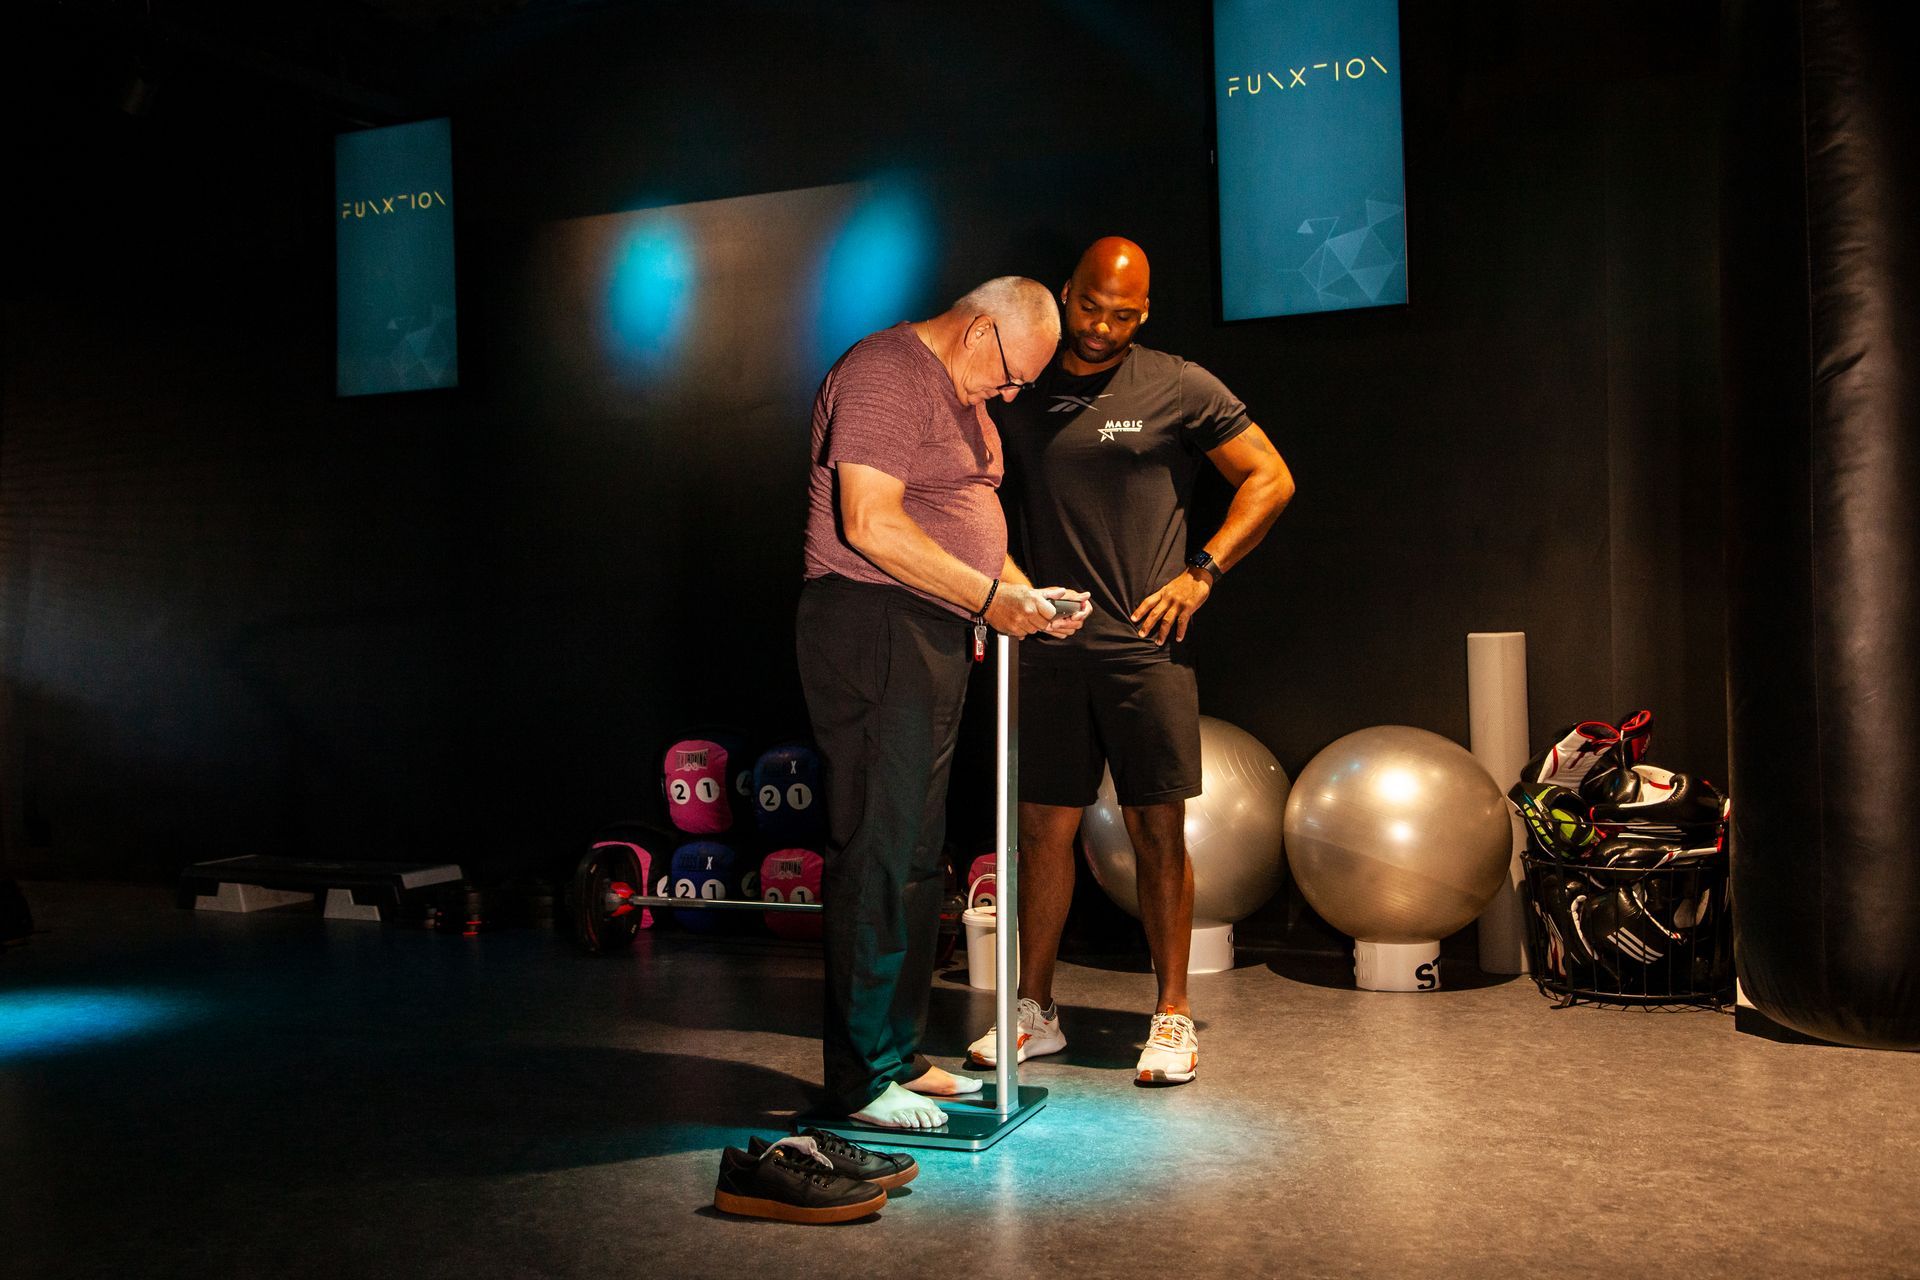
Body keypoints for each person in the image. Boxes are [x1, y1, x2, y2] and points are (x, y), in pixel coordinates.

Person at [974, 237, 1295, 1085]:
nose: (1102, 327)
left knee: (1159, 831)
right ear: (1066, 291)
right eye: (1089, 307)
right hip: (1046, 640)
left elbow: (1269, 477)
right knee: (1043, 831)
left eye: (1122, 315)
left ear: (1143, 313)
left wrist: (1203, 574)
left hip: (1147, 646)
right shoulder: (1022, 383)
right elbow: (973, 497)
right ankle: (1034, 1011)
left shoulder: (1177, 382)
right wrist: (1008, 595)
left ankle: (1174, 1016)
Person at [798, 277, 1090, 1129]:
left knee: (918, 854)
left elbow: (958, 521)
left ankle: (896, 1053)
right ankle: (859, 1081)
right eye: (1010, 379)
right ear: (977, 332)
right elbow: (871, 524)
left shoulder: (962, 392)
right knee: (879, 849)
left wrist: (1027, 598)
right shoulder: (887, 373)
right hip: (874, 623)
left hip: (931, 627)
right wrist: (986, 596)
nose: (1008, 395)